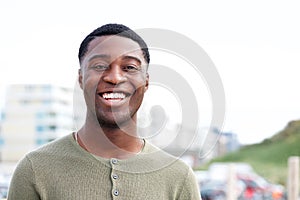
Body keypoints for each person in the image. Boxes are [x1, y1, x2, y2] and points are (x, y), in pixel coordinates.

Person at [8, 23, 201, 200]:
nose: (115, 78)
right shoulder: (35, 169)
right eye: (99, 66)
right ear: (81, 78)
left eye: (129, 67)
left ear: (146, 81)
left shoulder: (178, 176)